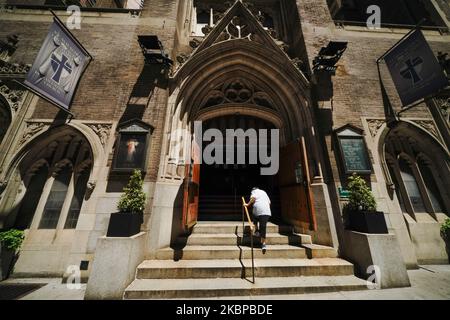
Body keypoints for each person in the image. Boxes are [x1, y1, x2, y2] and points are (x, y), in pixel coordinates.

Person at [244, 187, 271, 253]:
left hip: (258, 210)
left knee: (255, 218)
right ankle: (263, 243)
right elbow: (269, 202)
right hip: (266, 211)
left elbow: (253, 198)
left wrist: (247, 204)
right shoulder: (263, 192)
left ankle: (257, 232)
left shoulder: (254, 192)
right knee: (263, 226)